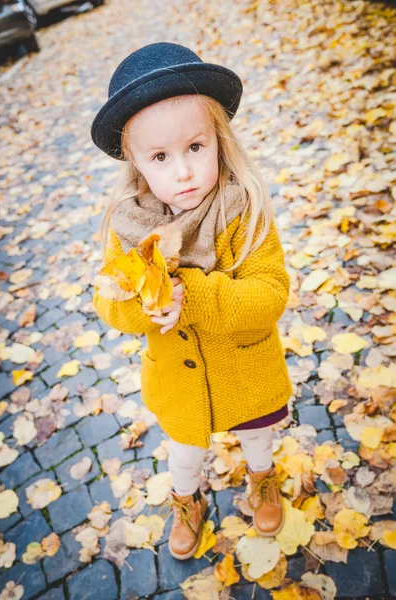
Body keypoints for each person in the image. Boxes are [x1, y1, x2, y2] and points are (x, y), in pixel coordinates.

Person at [90, 41, 293, 561]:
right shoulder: (129, 225)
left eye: (195, 148)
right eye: (160, 156)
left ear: (219, 141)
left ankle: (263, 480)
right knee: (184, 452)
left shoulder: (242, 206)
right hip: (177, 379)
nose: (182, 171)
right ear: (136, 163)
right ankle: (187, 498)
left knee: (257, 437)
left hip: (245, 367)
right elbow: (109, 301)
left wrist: (193, 294)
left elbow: (269, 294)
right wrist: (148, 305)